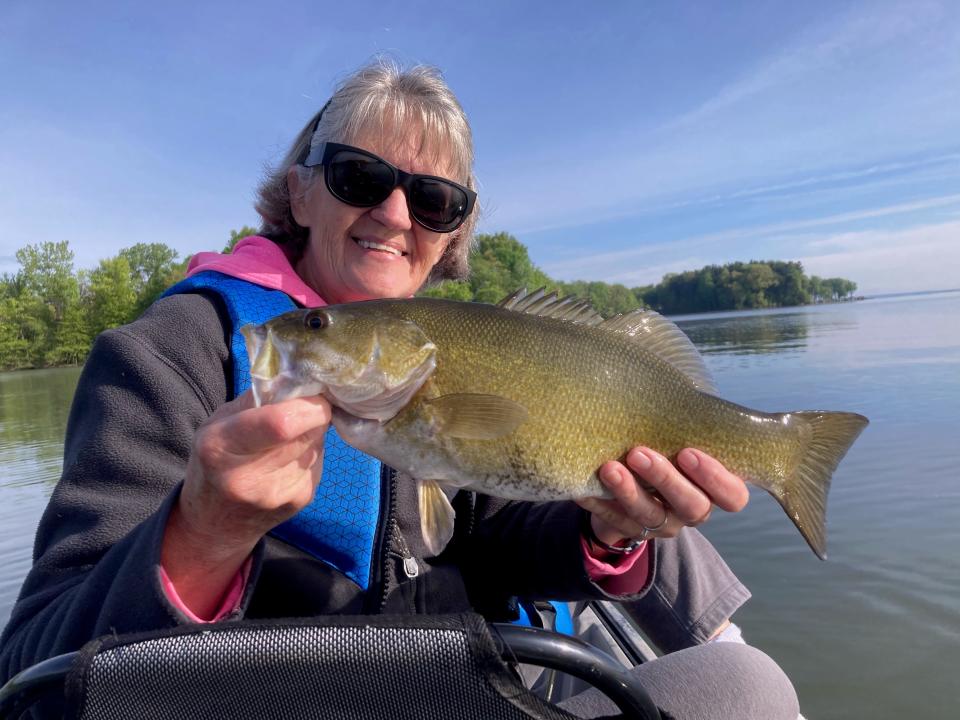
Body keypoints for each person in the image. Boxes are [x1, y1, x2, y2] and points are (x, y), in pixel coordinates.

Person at [0, 60, 799, 719]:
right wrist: (202, 535)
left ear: (452, 233)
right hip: (284, 702)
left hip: (474, 686)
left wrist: (610, 534)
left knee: (743, 685)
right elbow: (38, 671)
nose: (393, 213)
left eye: (433, 200)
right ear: (300, 192)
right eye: (359, 176)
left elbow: (497, 540)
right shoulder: (174, 352)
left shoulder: (446, 347)